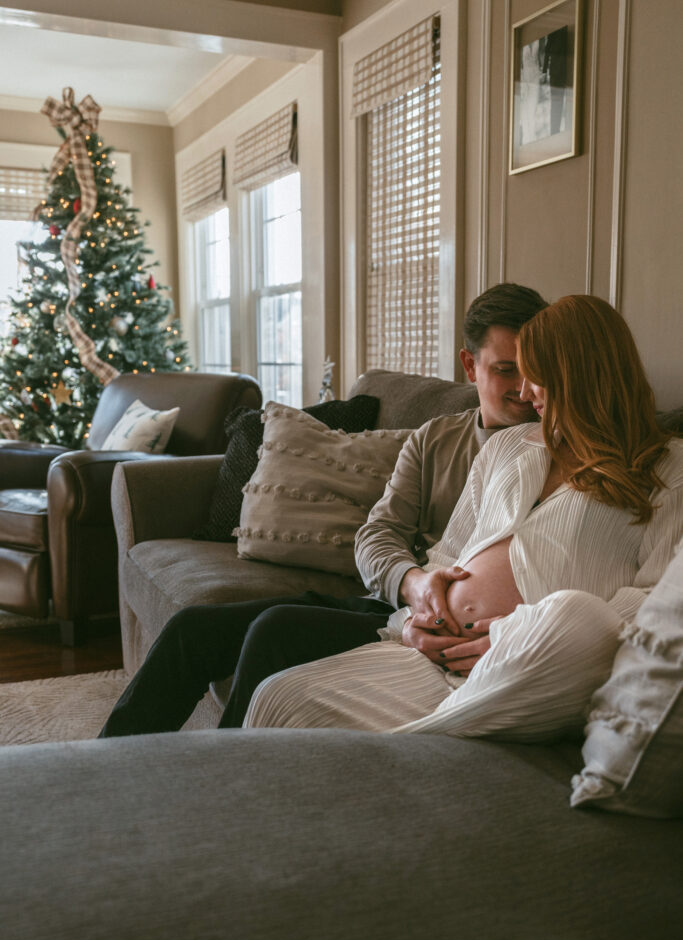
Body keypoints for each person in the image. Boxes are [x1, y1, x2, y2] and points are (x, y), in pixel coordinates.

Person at [100, 283, 548, 737]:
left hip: (435, 627)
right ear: (470, 365)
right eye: (506, 370)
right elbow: (377, 534)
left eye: (536, 369)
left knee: (276, 630)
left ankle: (228, 775)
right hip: (394, 604)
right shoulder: (435, 440)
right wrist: (411, 583)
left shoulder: (561, 454)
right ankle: (103, 772)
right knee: (192, 630)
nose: (524, 388)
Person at [242, 296, 683, 740]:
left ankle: (426, 735)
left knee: (575, 615)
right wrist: (415, 623)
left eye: (537, 375)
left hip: (544, 658)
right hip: (441, 659)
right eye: (516, 373)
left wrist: (516, 638)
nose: (526, 392)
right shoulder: (508, 447)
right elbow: (446, 558)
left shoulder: (668, 469)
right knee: (278, 696)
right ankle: (437, 735)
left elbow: (656, 603)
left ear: (580, 375)